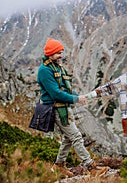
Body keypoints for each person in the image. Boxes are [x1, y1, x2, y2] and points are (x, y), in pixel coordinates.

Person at [37, 38, 109, 177]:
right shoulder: (45, 71)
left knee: (68, 137)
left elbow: (65, 88)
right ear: (50, 54)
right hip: (57, 109)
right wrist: (76, 99)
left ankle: (59, 165)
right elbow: (56, 93)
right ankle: (91, 167)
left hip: (64, 107)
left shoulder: (56, 67)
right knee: (76, 137)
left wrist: (79, 97)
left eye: (61, 52)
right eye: (58, 53)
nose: (61, 55)